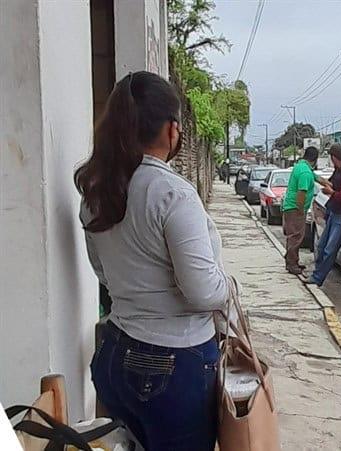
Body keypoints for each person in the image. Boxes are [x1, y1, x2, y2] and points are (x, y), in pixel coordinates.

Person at [75, 71, 230, 451]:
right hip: (174, 366)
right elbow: (203, 292)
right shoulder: (173, 194)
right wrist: (231, 286)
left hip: (114, 354)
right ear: (172, 129)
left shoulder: (98, 190)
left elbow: (102, 273)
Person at [307, 144, 341, 287]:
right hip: (334, 211)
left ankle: (318, 278)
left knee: (330, 249)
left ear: (334, 158)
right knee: (321, 246)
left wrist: (331, 192)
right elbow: (331, 182)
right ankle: (316, 273)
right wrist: (325, 184)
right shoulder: (340, 170)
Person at [281, 146, 329, 274]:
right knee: (296, 236)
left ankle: (293, 260)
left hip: (291, 207)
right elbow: (301, 192)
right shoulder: (305, 173)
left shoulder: (301, 166)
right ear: (315, 159)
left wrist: (329, 184)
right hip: (295, 208)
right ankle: (291, 264)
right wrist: (301, 209)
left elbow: (318, 178)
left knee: (295, 235)